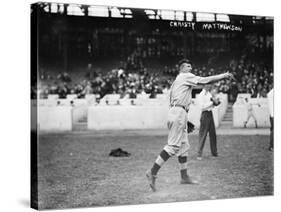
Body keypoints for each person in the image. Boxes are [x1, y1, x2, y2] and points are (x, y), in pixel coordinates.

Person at [145, 59, 234, 192]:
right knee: (173, 146)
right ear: (181, 68)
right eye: (187, 66)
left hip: (177, 112)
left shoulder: (176, 82)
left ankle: (184, 176)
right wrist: (223, 75)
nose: (190, 68)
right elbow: (205, 80)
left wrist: (184, 120)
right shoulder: (185, 76)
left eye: (191, 66)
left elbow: (175, 102)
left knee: (184, 146)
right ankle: (152, 172)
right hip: (178, 113)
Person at [197, 85, 220, 160]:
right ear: (204, 85)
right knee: (203, 134)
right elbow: (202, 107)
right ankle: (199, 154)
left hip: (210, 114)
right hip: (204, 114)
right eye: (208, 85)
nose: (209, 86)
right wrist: (212, 103)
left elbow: (212, 104)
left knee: (213, 134)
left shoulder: (209, 94)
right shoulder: (201, 95)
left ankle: (214, 153)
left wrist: (216, 103)